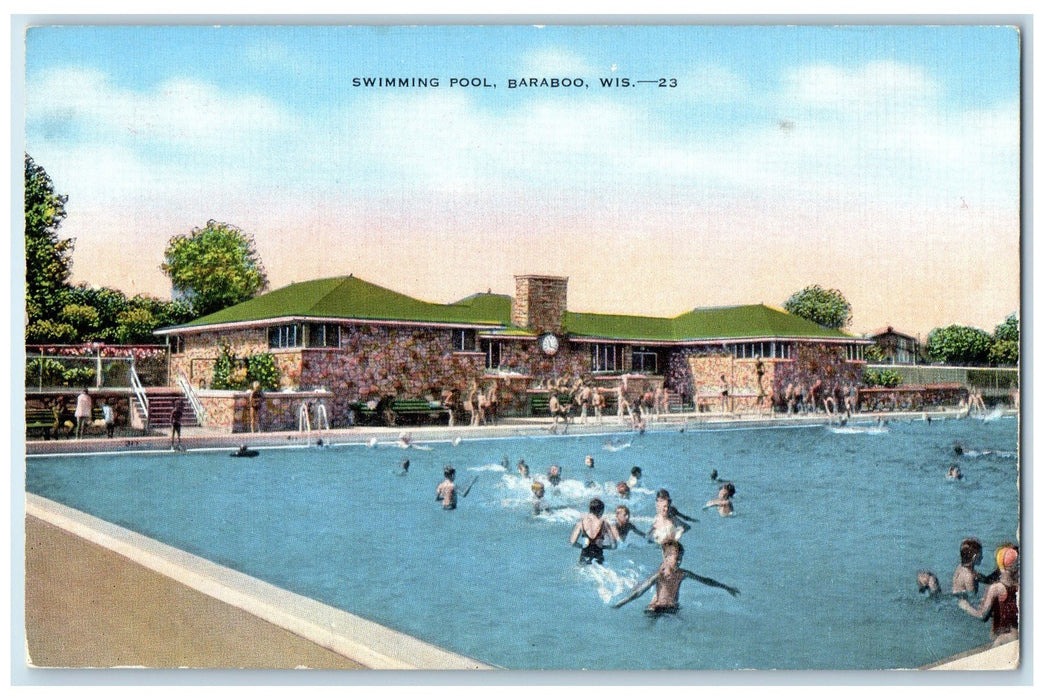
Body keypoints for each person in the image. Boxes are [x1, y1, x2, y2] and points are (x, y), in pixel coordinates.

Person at [613, 540, 739, 614]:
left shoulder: (682, 574)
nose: (679, 562)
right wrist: (620, 604)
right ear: (666, 558)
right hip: (656, 608)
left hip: (672, 608)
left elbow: (705, 580)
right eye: (676, 559)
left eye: (680, 559)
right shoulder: (659, 575)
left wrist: (726, 587)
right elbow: (638, 592)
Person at [958, 545, 1019, 644]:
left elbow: (982, 615)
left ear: (999, 566)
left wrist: (965, 606)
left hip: (1003, 638)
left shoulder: (996, 588)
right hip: (1016, 633)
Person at [569, 498, 617, 565]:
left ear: (590, 509)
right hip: (598, 556)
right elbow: (614, 545)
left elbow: (572, 542)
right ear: (601, 510)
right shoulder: (604, 523)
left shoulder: (581, 523)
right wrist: (603, 547)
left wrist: (584, 546)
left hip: (584, 555)